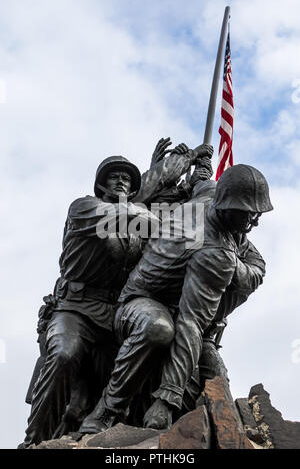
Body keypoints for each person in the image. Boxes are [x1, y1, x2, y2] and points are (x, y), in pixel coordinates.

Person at [21, 138, 212, 448]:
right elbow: (135, 218)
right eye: (115, 176)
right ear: (101, 184)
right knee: (63, 354)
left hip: (112, 316)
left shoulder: (138, 219)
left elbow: (176, 239)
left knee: (132, 379)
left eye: (127, 178)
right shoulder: (85, 208)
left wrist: (197, 190)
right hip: (76, 309)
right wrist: (173, 166)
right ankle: (35, 441)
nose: (121, 180)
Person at [79, 163, 273, 433]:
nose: (255, 221)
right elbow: (190, 323)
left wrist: (200, 172)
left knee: (214, 368)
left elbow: (257, 266)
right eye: (249, 214)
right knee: (158, 328)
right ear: (227, 207)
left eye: (256, 213)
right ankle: (106, 413)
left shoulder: (211, 195)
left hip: (185, 307)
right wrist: (166, 400)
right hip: (138, 304)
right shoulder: (213, 252)